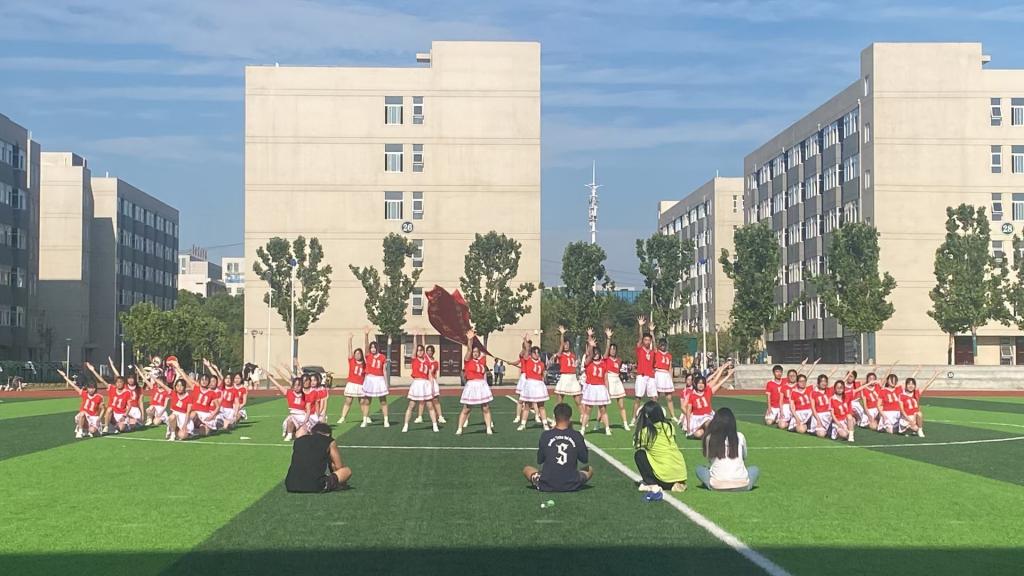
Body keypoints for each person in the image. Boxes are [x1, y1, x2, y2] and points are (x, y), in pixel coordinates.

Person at [522, 403, 593, 492]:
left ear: (555, 417)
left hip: (547, 483)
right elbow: (584, 459)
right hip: (572, 484)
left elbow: (540, 460)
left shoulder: (546, 435)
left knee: (527, 469)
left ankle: (542, 479)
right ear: (570, 418)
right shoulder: (577, 435)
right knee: (589, 469)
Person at [695, 408, 758, 491]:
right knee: (755, 469)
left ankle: (714, 482)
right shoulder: (740, 436)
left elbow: (709, 457)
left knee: (699, 469)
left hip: (717, 485)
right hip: (742, 485)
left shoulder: (710, 438)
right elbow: (744, 456)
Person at [633, 401, 687, 493]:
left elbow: (637, 445)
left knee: (639, 454)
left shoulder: (645, 432)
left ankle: (652, 483)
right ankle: (676, 483)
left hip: (664, 477)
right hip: (680, 474)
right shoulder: (669, 426)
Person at [285, 422, 353, 493]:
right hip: (315, 486)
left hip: (290, 485)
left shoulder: (298, 440)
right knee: (347, 471)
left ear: (312, 432)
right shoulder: (329, 441)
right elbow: (338, 466)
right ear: (328, 434)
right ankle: (333, 485)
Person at [456, 330, 494, 436]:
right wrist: (470, 339)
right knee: (467, 408)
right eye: (474, 352)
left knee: (485, 407)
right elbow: (469, 349)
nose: (475, 353)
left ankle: (488, 428)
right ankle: (460, 428)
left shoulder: (482, 361)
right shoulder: (468, 361)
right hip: (472, 385)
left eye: (477, 352)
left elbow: (484, 349)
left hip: (482, 385)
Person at [403, 333, 440, 433]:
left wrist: (432, 387)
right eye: (418, 350)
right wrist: (415, 337)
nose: (419, 351)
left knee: (430, 405)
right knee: (411, 405)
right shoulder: (414, 360)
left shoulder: (427, 362)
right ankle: (406, 425)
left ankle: (435, 425)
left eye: (421, 350)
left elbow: (430, 375)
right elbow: (414, 347)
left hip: (425, 384)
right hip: (417, 383)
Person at [580, 329, 611, 436]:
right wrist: (590, 344)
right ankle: (583, 429)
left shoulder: (603, 363)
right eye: (595, 353)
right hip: (591, 387)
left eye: (598, 353)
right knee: (588, 410)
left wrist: (608, 338)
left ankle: (607, 428)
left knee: (603, 410)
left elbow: (606, 378)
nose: (596, 355)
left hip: (601, 388)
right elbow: (589, 354)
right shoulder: (588, 362)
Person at [514, 344, 551, 431]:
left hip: (539, 385)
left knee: (541, 405)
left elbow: (542, 375)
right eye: (535, 352)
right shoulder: (528, 360)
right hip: (530, 384)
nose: (536, 354)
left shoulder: (541, 364)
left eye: (538, 353)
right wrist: (526, 343)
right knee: (527, 405)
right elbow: (526, 353)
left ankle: (545, 424)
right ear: (531, 353)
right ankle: (523, 424)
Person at [58, 368, 103, 438]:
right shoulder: (84, 394)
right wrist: (64, 376)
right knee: (82, 413)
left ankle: (88, 430)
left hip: (93, 418)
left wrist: (99, 418)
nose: (91, 390)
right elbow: (74, 386)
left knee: (93, 431)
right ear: (87, 388)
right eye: (89, 388)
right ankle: (80, 431)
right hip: (83, 416)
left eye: (93, 388)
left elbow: (103, 409)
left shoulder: (99, 397)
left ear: (95, 388)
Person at [338, 333, 369, 426]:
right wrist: (350, 340)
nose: (357, 355)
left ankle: (366, 417)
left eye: (359, 353)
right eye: (356, 353)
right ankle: (343, 417)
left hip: (361, 385)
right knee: (348, 401)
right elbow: (349, 350)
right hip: (352, 384)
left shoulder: (365, 364)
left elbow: (367, 350)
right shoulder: (351, 361)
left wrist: (366, 335)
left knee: (362, 402)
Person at [602, 328, 630, 431]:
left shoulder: (619, 360)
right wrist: (608, 338)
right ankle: (598, 423)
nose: (613, 351)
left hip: (617, 380)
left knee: (621, 405)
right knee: (604, 405)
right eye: (611, 349)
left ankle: (625, 423)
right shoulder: (606, 358)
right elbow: (606, 351)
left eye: (614, 349)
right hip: (609, 379)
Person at [268, 372, 310, 441]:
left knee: (300, 436)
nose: (297, 387)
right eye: (295, 385)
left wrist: (305, 421)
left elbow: (308, 410)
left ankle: (301, 431)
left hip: (303, 418)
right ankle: (289, 435)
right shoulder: (289, 393)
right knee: (290, 420)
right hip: (293, 416)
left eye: (299, 385)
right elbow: (278, 385)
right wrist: (270, 377)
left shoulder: (305, 395)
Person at [362, 329, 391, 427]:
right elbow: (365, 347)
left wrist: (386, 383)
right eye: (371, 348)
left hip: (379, 379)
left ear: (377, 348)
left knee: (383, 400)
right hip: (370, 379)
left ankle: (386, 420)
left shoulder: (382, 357)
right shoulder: (368, 356)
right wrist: (366, 335)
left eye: (374, 347)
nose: (373, 349)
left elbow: (384, 370)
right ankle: (365, 420)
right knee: (367, 400)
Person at [899, 371, 938, 437]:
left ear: (915, 386)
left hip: (915, 416)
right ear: (906, 385)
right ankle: (908, 429)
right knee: (914, 429)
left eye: (912, 384)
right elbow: (902, 410)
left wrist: (935, 375)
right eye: (909, 384)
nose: (911, 386)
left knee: (919, 414)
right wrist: (909, 420)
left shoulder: (916, 393)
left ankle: (920, 430)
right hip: (906, 418)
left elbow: (926, 385)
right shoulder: (902, 395)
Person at [633, 316, 658, 418]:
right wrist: (640, 327)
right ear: (643, 341)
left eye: (649, 340)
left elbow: (655, 345)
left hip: (650, 376)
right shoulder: (640, 349)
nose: (647, 341)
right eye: (645, 340)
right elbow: (639, 339)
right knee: (638, 397)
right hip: (641, 376)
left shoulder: (652, 351)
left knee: (654, 397)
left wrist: (652, 332)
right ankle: (634, 418)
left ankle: (654, 416)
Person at [553, 325, 582, 407]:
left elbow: (576, 366)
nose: (566, 346)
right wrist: (562, 334)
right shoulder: (561, 354)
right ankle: (556, 414)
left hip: (573, 377)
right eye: (564, 344)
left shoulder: (573, 355)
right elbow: (561, 346)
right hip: (564, 377)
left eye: (567, 344)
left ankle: (583, 414)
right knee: (559, 401)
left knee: (578, 401)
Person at [653, 338, 678, 422]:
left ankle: (673, 416)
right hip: (659, 374)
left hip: (666, 375)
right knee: (656, 396)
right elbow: (653, 344)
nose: (663, 346)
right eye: (661, 344)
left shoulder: (669, 355)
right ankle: (654, 414)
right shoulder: (656, 352)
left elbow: (670, 367)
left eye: (664, 345)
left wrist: (671, 378)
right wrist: (652, 334)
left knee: (669, 397)